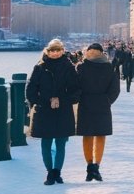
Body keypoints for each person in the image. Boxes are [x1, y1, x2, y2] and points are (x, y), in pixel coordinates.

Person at [25, 38, 81, 185]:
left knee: (61, 142)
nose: (55, 53)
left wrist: (63, 100)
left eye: (58, 50)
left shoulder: (69, 67)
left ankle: (57, 172)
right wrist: (44, 101)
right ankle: (50, 172)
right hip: (44, 110)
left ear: (62, 51)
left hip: (63, 110)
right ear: (47, 51)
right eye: (52, 51)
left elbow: (76, 89)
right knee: (46, 142)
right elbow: (30, 90)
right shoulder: (39, 67)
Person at [75, 42, 120, 182]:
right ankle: (96, 167)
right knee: (101, 136)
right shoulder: (108, 67)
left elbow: (75, 86)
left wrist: (80, 98)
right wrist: (107, 100)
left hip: (86, 105)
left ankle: (90, 166)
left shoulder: (81, 67)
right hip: (102, 106)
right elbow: (115, 89)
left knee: (87, 136)